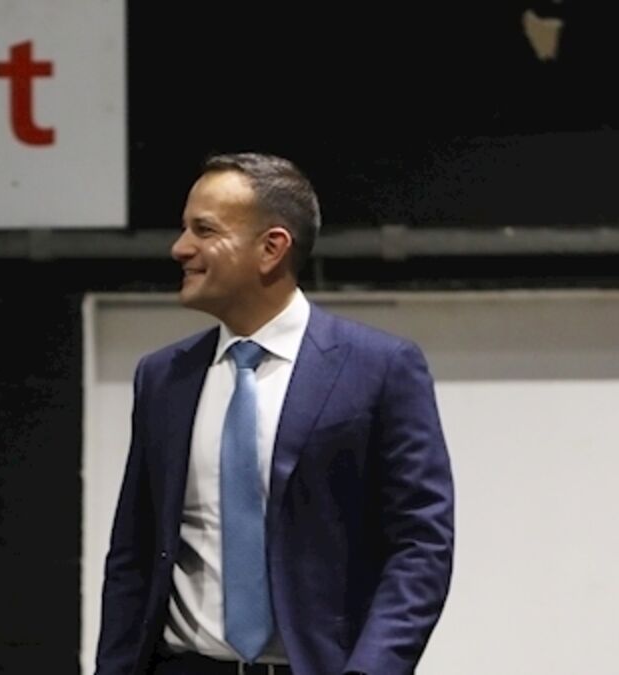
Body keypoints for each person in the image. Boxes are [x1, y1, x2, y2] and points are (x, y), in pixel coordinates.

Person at [94, 152, 454, 675]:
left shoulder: (381, 369)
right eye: (184, 228)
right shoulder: (163, 378)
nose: (180, 248)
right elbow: (133, 551)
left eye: (204, 230)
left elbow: (421, 546)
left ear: (271, 248)